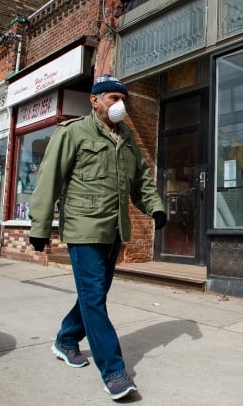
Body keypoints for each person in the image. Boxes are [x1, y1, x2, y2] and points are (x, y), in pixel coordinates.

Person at [28, 74, 167, 400]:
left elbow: (142, 180)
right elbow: (49, 179)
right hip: (83, 228)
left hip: (114, 228)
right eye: (112, 98)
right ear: (94, 100)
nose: (119, 105)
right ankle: (115, 372)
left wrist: (155, 208)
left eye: (123, 99)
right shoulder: (73, 132)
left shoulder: (128, 138)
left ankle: (65, 339)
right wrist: (40, 227)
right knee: (94, 297)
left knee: (95, 293)